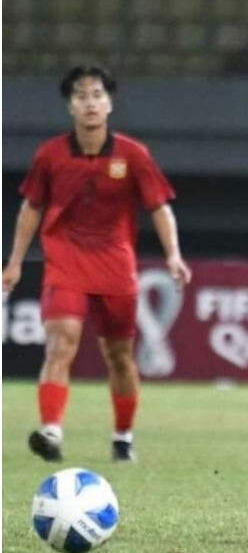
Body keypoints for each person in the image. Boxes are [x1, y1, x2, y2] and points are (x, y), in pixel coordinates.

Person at [2, 64, 192, 464]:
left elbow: (159, 208)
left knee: (119, 356)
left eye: (97, 95)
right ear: (70, 107)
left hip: (116, 268)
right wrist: (14, 261)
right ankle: (51, 430)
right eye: (81, 96)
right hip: (65, 264)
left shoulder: (133, 155)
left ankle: (123, 436)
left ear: (109, 104)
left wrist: (173, 254)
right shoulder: (50, 155)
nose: (90, 103)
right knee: (60, 343)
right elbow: (30, 209)